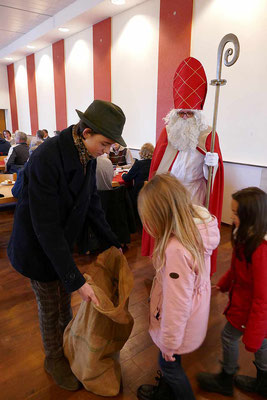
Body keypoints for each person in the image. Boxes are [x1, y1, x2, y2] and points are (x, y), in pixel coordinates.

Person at [8, 100, 127, 391]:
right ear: (86, 132)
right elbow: (44, 227)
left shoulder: (86, 154)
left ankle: (68, 343)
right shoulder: (47, 157)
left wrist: (113, 241)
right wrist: (75, 279)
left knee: (65, 303)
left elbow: (91, 204)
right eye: (105, 143)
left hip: (58, 244)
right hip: (37, 247)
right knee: (51, 306)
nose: (108, 151)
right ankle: (54, 358)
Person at [137, 173, 220, 400]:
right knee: (170, 363)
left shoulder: (175, 250)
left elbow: (177, 303)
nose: (145, 225)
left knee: (169, 365)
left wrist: (169, 342)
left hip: (178, 324)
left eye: (147, 219)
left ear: (160, 217)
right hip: (192, 315)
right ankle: (166, 391)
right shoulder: (197, 230)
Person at [142, 57, 224, 275]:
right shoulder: (168, 132)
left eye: (190, 113)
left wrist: (211, 166)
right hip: (170, 196)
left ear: (197, 114)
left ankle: (192, 273)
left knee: (191, 240)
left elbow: (213, 181)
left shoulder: (208, 135)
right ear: (175, 112)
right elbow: (158, 167)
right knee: (168, 240)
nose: (185, 116)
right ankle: (165, 274)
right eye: (182, 112)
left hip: (194, 197)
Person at [197, 187, 267, 398]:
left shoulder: (260, 249)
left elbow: (263, 298)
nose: (231, 216)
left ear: (251, 216)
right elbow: (237, 268)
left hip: (251, 310)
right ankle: (263, 381)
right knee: (262, 343)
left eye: (236, 213)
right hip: (243, 304)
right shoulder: (244, 236)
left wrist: (253, 333)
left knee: (234, 337)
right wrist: (225, 283)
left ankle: (226, 379)